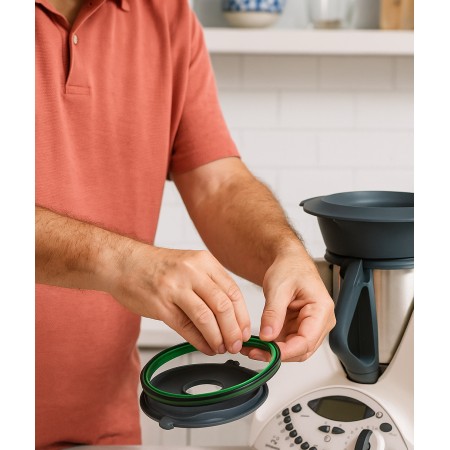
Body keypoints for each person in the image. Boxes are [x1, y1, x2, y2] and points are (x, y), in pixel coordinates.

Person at [35, 0, 336, 449]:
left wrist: (285, 254)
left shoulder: (166, 14)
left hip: (101, 429)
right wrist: (120, 261)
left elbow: (218, 184)